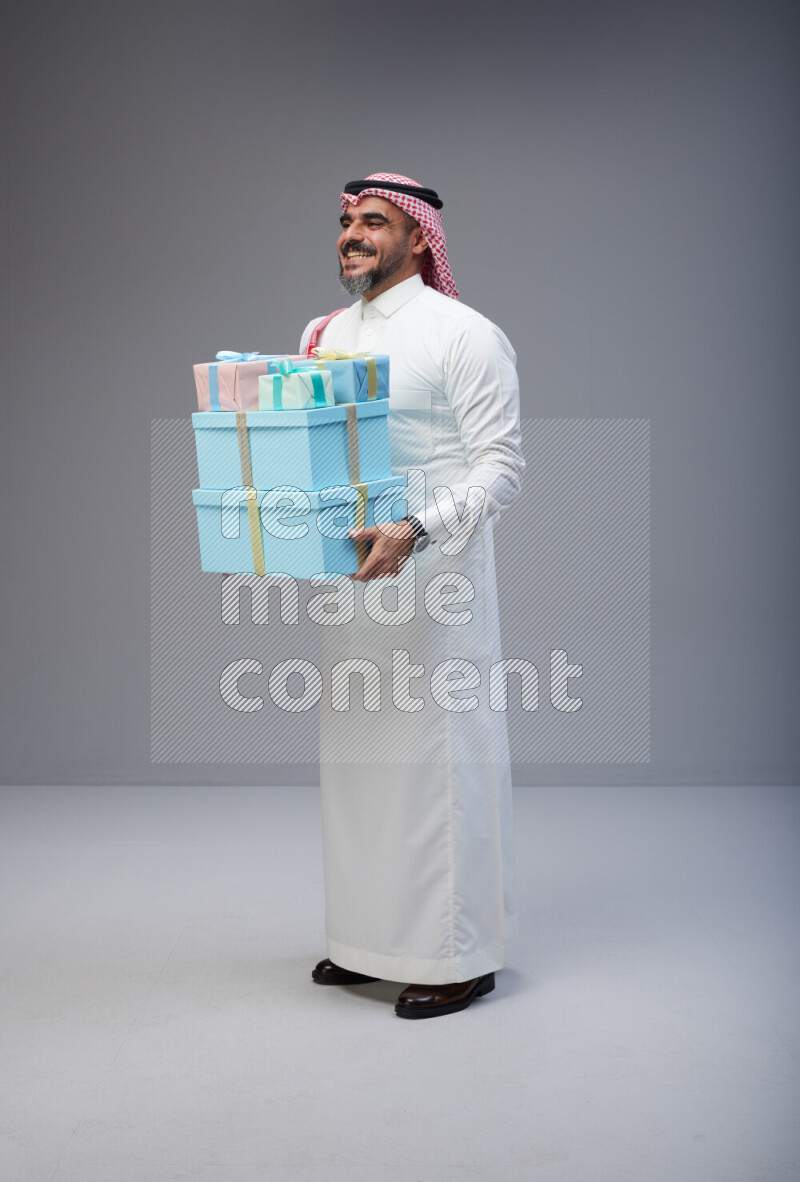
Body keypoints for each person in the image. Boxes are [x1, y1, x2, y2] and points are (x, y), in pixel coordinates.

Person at [299, 173, 525, 1019]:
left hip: (436, 576)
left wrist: (416, 530)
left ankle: (457, 954)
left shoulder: (464, 333)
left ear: (420, 237)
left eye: (375, 221)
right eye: (348, 221)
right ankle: (369, 940)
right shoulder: (321, 333)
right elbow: (312, 451)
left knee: (438, 763)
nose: (353, 234)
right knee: (360, 763)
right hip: (349, 577)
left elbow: (501, 468)